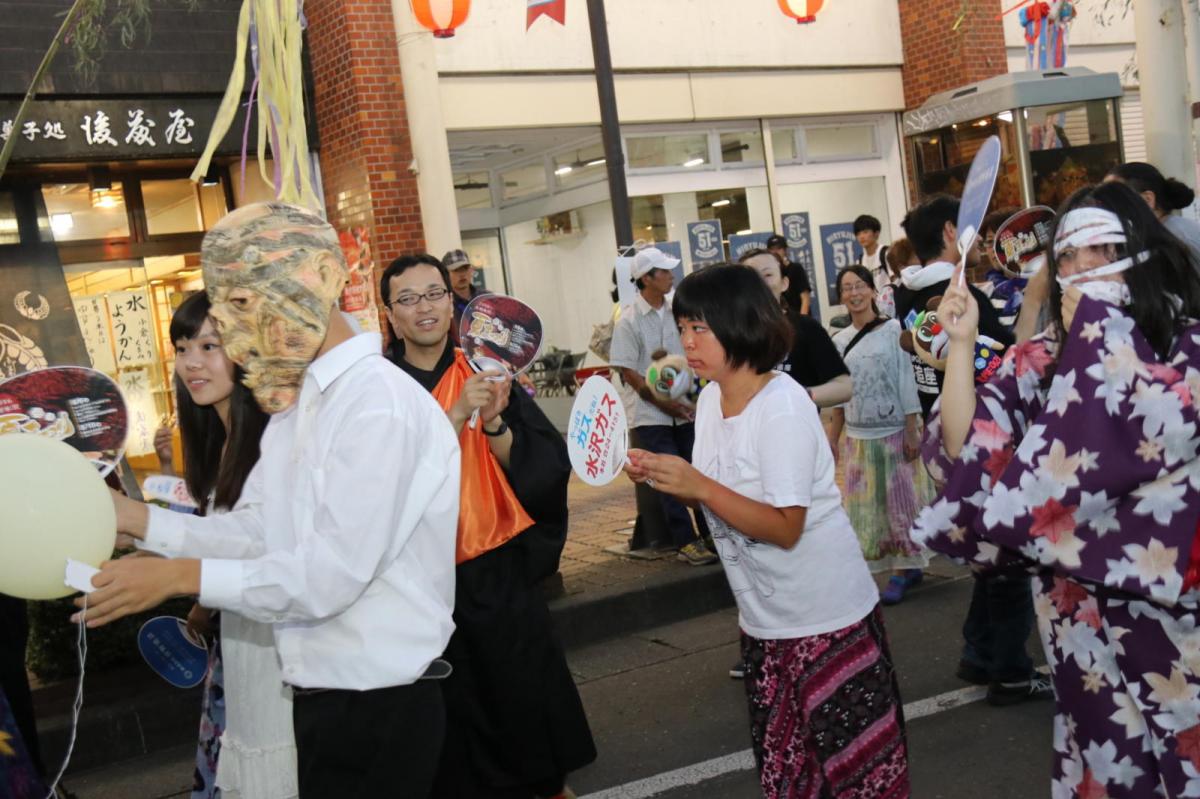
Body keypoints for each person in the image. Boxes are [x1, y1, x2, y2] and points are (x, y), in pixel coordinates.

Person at [75, 202, 462, 798]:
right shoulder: (301, 406)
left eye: (242, 304)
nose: (228, 334)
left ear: (318, 278)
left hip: (381, 708)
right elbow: (259, 529)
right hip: (327, 703)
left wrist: (180, 575)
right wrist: (140, 522)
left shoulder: (375, 406)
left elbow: (327, 575)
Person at [913, 180, 1200, 797]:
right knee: (1106, 760)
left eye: (1096, 250)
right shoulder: (1043, 359)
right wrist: (960, 347)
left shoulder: (1188, 343)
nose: (1078, 268)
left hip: (1176, 609)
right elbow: (970, 447)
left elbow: (1163, 426)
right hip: (1076, 613)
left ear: (1138, 249)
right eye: (1065, 256)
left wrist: (1099, 339)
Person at [627, 264, 909, 798]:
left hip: (826, 620)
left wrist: (698, 487)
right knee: (790, 775)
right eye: (682, 327)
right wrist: (663, 475)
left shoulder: (780, 406)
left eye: (699, 329)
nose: (685, 342)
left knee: (857, 777)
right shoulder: (709, 399)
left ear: (740, 325)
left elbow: (785, 527)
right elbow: (716, 486)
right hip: (766, 623)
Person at [381, 254, 595, 799]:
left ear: (453, 303)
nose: (424, 307)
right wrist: (452, 418)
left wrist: (496, 421)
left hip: (497, 579)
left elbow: (543, 472)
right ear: (390, 314)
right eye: (408, 299)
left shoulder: (484, 367)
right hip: (422, 589)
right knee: (449, 753)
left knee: (528, 739)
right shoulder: (379, 391)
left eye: (434, 294)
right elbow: (379, 488)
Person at [898, 194, 1045, 707]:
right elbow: (1011, 364)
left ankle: (980, 653)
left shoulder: (911, 295)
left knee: (990, 558)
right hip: (984, 439)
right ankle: (1009, 671)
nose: (984, 242)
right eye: (976, 232)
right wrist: (1029, 305)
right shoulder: (956, 299)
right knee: (1008, 564)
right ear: (949, 233)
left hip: (950, 432)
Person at [158, 291, 294, 799]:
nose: (191, 361)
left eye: (209, 345)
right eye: (181, 346)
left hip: (275, 657)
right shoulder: (218, 444)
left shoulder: (271, 442)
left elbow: (261, 550)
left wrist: (152, 540)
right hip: (235, 652)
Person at [829, 266, 932, 604]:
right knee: (866, 510)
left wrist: (912, 429)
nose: (854, 293)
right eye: (847, 288)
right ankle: (896, 567)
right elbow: (840, 394)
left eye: (859, 286)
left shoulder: (892, 331)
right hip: (858, 438)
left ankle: (903, 570)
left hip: (893, 434)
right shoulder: (838, 341)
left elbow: (906, 380)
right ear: (841, 296)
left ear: (872, 291)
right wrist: (833, 437)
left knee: (899, 506)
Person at [609, 246, 715, 566]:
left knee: (697, 469)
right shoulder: (628, 321)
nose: (671, 276)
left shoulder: (677, 311)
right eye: (665, 271)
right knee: (667, 476)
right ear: (647, 278)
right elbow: (630, 375)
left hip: (687, 409)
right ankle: (685, 541)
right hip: (651, 414)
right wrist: (669, 406)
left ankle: (710, 532)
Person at [896, 194, 1015, 418]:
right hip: (977, 430)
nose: (979, 238)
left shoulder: (906, 294)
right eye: (972, 227)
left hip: (934, 425)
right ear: (951, 230)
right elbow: (1010, 369)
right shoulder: (965, 300)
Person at [740, 250, 852, 406]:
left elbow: (844, 387)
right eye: (752, 277)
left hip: (796, 426)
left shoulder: (806, 328)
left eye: (768, 275)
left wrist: (797, 396)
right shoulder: (734, 333)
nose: (760, 283)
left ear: (784, 283)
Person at [1106, 161, 1200, 270]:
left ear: (1147, 199)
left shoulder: (1175, 239)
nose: (1106, 205)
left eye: (1115, 197)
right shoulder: (1160, 234)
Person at [443, 248, 487, 346]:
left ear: (471, 270)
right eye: (456, 270)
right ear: (446, 274)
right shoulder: (443, 304)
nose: (462, 274)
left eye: (465, 268)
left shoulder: (486, 298)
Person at [766, 234, 812, 315]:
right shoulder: (768, 274)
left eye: (779, 248)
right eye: (772, 249)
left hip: (798, 318)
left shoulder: (796, 268)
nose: (775, 252)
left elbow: (805, 299)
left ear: (785, 250)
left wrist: (802, 321)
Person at [854, 214, 890, 294]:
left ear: (876, 233)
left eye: (865, 232)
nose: (861, 237)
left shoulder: (886, 253)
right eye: (858, 234)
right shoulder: (859, 262)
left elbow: (896, 280)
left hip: (892, 303)